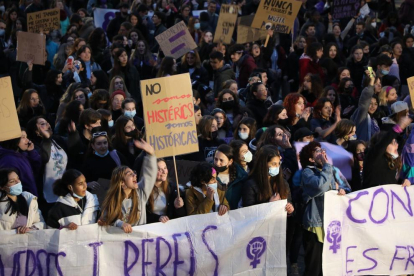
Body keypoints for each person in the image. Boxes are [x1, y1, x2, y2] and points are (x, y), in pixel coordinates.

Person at [299, 141, 349, 276]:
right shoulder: (307, 173)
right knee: (314, 267)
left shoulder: (332, 170)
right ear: (311, 159)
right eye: (317, 151)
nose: (322, 153)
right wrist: (327, 166)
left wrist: (343, 191)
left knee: (329, 266)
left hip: (332, 224)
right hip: (315, 225)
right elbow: (319, 186)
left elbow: (347, 187)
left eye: (322, 150)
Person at [99, 140, 156, 233]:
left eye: (134, 172)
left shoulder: (141, 193)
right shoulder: (111, 199)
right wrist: (120, 224)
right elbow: (106, 218)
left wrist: (151, 155)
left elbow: (149, 175)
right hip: (120, 243)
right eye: (130, 174)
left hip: (139, 242)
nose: (135, 175)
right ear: (122, 182)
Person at [242, 145, 294, 212]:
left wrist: (289, 209)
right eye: (274, 164)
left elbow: (289, 202)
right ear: (264, 164)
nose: (277, 167)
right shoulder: (251, 185)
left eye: (278, 164)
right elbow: (249, 211)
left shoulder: (283, 183)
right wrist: (269, 205)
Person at [363, 116, 412, 188]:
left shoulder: (393, 161)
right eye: (392, 142)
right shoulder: (372, 157)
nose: (396, 145)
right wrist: (398, 128)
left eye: (396, 142)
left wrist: (405, 182)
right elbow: (384, 141)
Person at [0, 129, 41, 196]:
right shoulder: (8, 160)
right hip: (22, 202)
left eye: (26, 137)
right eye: (23, 137)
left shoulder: (20, 154)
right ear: (14, 139)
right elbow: (10, 187)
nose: (28, 140)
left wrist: (31, 152)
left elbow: (36, 168)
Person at [146, 159, 186, 223]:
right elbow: (142, 216)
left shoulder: (173, 189)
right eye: (159, 169)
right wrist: (158, 218)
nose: (164, 172)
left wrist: (179, 208)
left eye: (165, 168)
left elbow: (182, 217)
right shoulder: (144, 189)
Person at [213, 144, 248, 210]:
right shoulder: (208, 175)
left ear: (230, 161)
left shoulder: (241, 177)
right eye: (216, 159)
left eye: (221, 160)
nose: (217, 163)